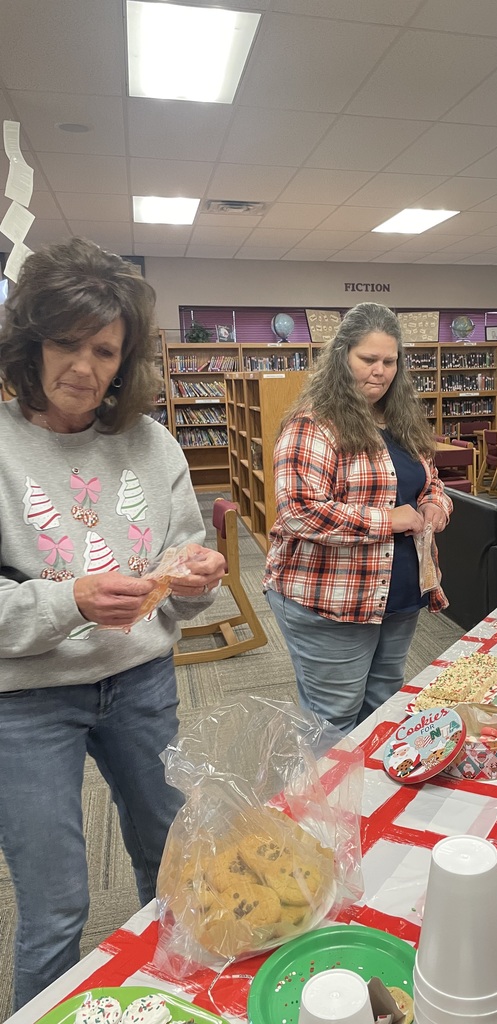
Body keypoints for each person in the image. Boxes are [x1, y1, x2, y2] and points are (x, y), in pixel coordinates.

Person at [0, 237, 227, 1010]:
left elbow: (183, 557)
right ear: (28, 341)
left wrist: (197, 575)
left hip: (141, 682)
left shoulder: (150, 440)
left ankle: (171, 998)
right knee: (57, 903)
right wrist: (70, 601)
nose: (83, 367)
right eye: (65, 342)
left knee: (172, 862)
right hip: (26, 702)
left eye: (104, 350)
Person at [263, 302, 452, 733]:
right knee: (334, 720)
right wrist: (390, 520)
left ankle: (372, 800)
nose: (379, 371)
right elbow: (299, 511)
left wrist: (434, 507)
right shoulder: (314, 424)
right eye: (368, 359)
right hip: (333, 599)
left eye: (389, 361)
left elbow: (431, 482)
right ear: (342, 355)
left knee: (384, 707)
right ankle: (330, 802)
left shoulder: (401, 420)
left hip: (401, 593)